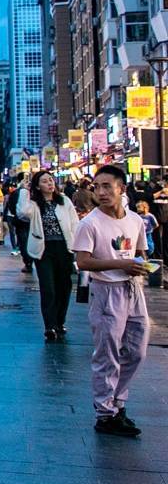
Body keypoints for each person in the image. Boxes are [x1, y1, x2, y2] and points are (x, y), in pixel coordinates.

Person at [72, 164, 152, 437]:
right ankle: (106, 413)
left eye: (108, 186)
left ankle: (117, 402)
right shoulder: (89, 223)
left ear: (122, 189)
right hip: (106, 292)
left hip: (133, 289)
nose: (102, 192)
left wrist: (141, 265)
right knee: (108, 353)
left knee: (137, 350)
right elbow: (82, 262)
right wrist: (122, 265)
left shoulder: (135, 220)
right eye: (98, 187)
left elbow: (140, 251)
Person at [22, 172, 78, 342]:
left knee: (64, 287)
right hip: (43, 250)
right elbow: (22, 212)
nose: (49, 184)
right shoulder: (34, 204)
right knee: (48, 288)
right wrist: (25, 191)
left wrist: (78, 248)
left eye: (50, 180)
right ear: (38, 186)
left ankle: (60, 321)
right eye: (44, 181)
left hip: (64, 248)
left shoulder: (64, 201)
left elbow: (75, 224)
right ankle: (49, 325)